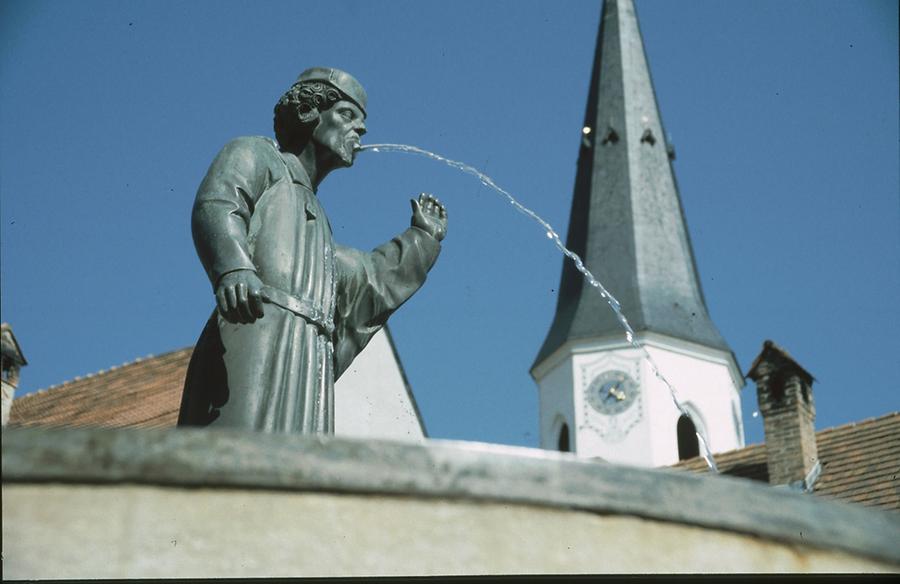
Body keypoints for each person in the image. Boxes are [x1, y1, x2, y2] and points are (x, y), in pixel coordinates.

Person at [177, 67, 447, 434]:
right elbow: (219, 201)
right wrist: (234, 267)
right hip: (255, 325)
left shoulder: (317, 222)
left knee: (296, 463)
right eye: (347, 114)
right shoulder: (258, 155)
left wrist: (422, 239)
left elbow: (369, 280)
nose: (362, 130)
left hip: (307, 356)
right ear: (310, 111)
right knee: (242, 443)